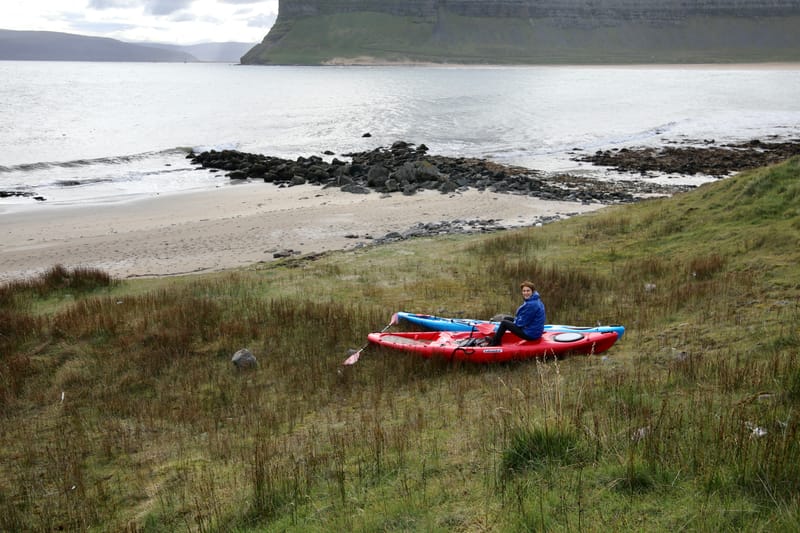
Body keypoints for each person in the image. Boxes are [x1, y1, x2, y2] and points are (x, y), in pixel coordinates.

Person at [488, 281, 545, 346]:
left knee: (504, 323)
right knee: (507, 319)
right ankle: (496, 338)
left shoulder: (532, 305)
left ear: (532, 291)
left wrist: (513, 324)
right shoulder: (535, 299)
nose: (526, 293)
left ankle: (495, 343)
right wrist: (514, 322)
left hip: (531, 334)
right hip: (533, 330)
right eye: (524, 291)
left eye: (528, 291)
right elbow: (524, 319)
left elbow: (521, 323)